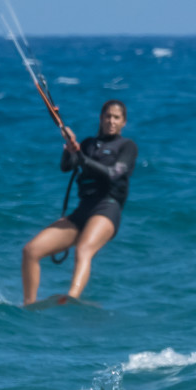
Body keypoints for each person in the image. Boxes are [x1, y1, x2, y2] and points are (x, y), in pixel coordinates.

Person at [21, 99, 137, 305]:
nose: (111, 121)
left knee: (83, 249)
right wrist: (70, 147)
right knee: (31, 250)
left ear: (123, 122)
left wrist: (83, 158)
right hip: (83, 210)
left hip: (107, 207)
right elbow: (67, 166)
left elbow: (114, 173)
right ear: (100, 118)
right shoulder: (87, 144)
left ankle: (72, 298)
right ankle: (29, 305)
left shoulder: (127, 146)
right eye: (108, 116)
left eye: (116, 117)